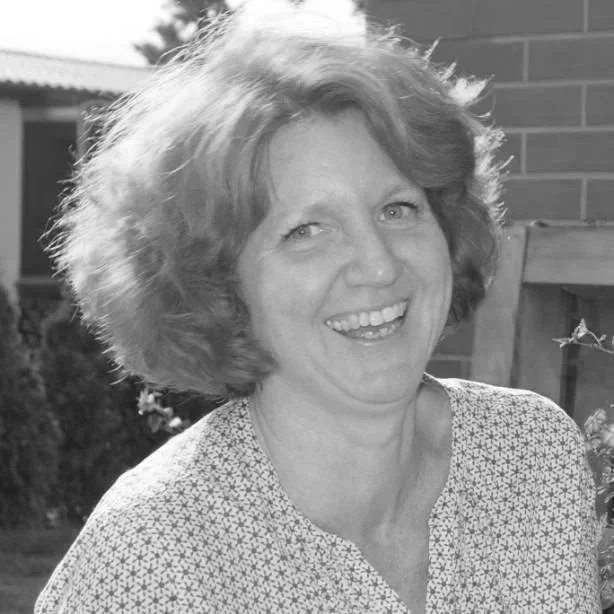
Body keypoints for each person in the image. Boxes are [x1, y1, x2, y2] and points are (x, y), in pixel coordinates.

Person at [35, 5, 599, 613]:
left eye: (398, 209)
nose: (378, 265)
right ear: (218, 286)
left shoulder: (531, 457)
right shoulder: (152, 558)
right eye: (307, 230)